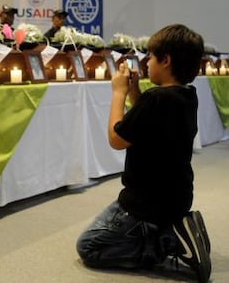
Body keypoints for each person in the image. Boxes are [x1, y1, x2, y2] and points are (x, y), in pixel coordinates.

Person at [76, 24, 211, 283]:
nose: (146, 62)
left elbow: (117, 139)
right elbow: (148, 123)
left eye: (150, 56)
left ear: (166, 60)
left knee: (89, 246)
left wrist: (118, 93)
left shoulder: (157, 99)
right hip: (176, 198)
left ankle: (165, 244)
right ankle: (170, 229)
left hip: (143, 205)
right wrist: (136, 93)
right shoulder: (185, 95)